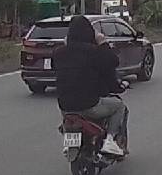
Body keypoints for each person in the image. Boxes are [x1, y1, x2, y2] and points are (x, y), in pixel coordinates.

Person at [53, 15, 127, 157]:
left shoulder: (58, 53)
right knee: (119, 106)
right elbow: (113, 61)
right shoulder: (93, 52)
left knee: (69, 117)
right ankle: (110, 140)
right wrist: (103, 42)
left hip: (65, 108)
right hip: (89, 105)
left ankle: (70, 142)